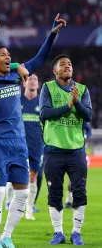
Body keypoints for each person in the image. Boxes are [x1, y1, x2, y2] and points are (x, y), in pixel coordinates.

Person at [0, 15, 65, 248]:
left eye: (10, 55)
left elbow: (41, 58)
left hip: (19, 143)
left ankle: (7, 235)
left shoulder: (15, 73)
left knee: (21, 194)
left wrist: (52, 34)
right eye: (3, 54)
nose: (8, 57)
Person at [40, 54, 92, 245]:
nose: (67, 66)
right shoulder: (47, 88)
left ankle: (76, 232)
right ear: (55, 71)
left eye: (69, 64)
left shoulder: (82, 90)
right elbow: (45, 114)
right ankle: (58, 232)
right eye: (63, 64)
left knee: (80, 193)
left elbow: (88, 116)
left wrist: (76, 102)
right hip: (53, 150)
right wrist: (67, 106)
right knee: (54, 194)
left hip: (76, 150)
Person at [19, 74, 43, 219]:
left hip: (36, 145)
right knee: (17, 175)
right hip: (19, 144)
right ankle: (12, 203)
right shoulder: (17, 100)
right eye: (30, 79)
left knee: (33, 176)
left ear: (38, 85)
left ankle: (28, 210)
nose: (33, 81)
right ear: (24, 83)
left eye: (35, 79)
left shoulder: (43, 102)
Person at [64, 122, 92, 209]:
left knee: (77, 179)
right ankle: (68, 200)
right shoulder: (67, 122)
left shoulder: (82, 120)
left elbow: (89, 131)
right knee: (71, 181)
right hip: (67, 153)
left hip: (79, 154)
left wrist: (85, 136)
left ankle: (73, 201)